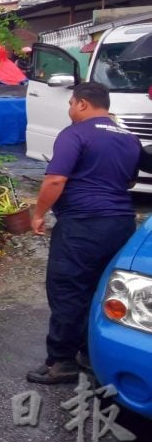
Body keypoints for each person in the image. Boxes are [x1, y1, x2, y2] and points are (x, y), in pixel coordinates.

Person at [27, 82, 141, 384]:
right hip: (121, 224)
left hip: (82, 225)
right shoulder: (130, 138)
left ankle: (62, 361)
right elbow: (129, 182)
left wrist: (39, 214)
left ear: (81, 104)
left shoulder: (75, 134)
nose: (69, 111)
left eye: (70, 105)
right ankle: (91, 354)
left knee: (67, 289)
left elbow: (55, 180)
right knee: (102, 289)